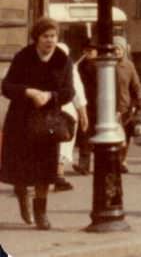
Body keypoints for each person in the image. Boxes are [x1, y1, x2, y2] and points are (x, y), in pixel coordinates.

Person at [1, 17, 75, 230]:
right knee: (21, 169)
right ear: (36, 38)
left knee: (45, 170)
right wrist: (29, 92)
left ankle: (41, 213)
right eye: (45, 37)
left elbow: (68, 92)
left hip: (47, 122)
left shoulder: (63, 60)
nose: (50, 41)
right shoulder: (23, 57)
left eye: (53, 36)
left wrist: (50, 96)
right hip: (21, 120)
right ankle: (22, 193)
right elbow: (6, 87)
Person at [54, 42, 88, 192]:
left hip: (63, 110)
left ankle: (57, 175)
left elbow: (77, 92)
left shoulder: (69, 68)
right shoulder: (70, 68)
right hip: (64, 110)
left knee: (60, 142)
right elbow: (78, 93)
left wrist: (83, 114)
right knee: (61, 141)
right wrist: (83, 114)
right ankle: (58, 176)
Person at [113, 36, 141, 174]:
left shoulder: (129, 65)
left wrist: (140, 97)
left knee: (125, 136)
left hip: (125, 107)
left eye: (119, 48)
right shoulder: (107, 65)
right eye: (114, 48)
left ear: (124, 49)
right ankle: (115, 161)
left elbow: (136, 84)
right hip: (110, 108)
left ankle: (122, 161)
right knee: (114, 137)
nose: (117, 51)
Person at [73, 41, 97, 175]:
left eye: (92, 50)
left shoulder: (100, 66)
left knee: (94, 136)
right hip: (84, 104)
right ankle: (84, 165)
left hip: (97, 106)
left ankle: (91, 165)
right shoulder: (79, 66)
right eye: (86, 50)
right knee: (84, 136)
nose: (89, 53)